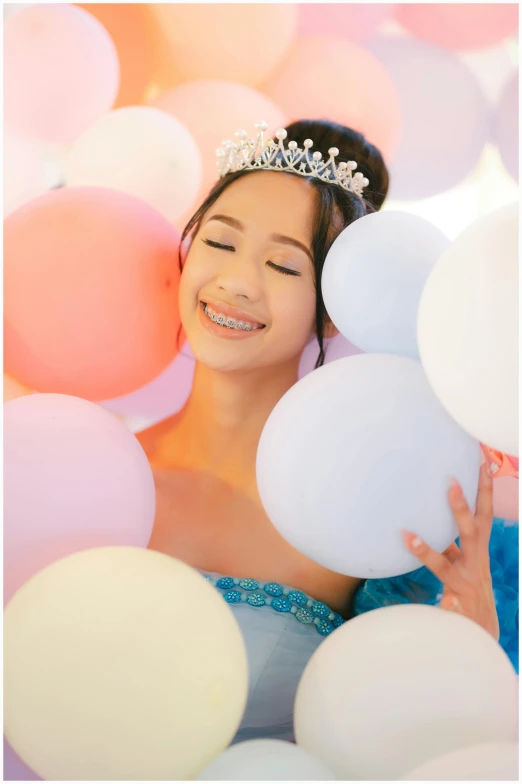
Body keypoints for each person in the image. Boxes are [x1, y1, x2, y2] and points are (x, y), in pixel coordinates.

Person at [137, 119, 509, 743]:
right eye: (220, 244)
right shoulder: (93, 470)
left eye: (284, 265)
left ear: (335, 311)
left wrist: (472, 655)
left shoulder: (383, 521)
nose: (236, 283)